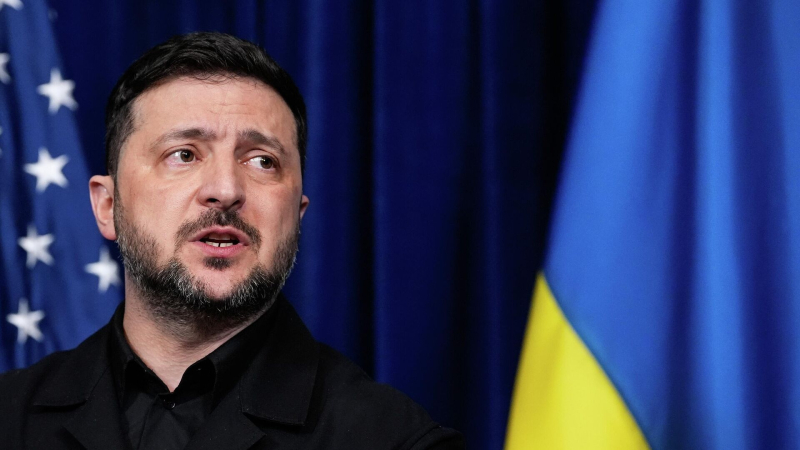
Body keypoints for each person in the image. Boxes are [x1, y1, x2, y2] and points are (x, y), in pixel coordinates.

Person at [0, 32, 463, 449]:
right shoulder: (7, 418)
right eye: (183, 154)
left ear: (297, 215)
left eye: (262, 161)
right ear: (107, 206)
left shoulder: (394, 440)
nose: (225, 189)